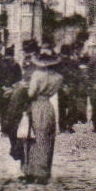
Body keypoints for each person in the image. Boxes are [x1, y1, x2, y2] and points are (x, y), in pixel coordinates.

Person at [20, 53, 64, 183]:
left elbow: (31, 93)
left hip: (36, 106)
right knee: (47, 138)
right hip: (48, 107)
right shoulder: (58, 77)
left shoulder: (37, 75)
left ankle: (32, 171)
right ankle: (44, 171)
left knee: (33, 137)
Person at [0, 46, 22, 118]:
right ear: (13, 55)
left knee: (2, 111)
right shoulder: (16, 64)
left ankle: (3, 123)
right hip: (12, 91)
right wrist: (12, 87)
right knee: (12, 112)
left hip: (1, 91)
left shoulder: (0, 64)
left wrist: (2, 86)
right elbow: (19, 78)